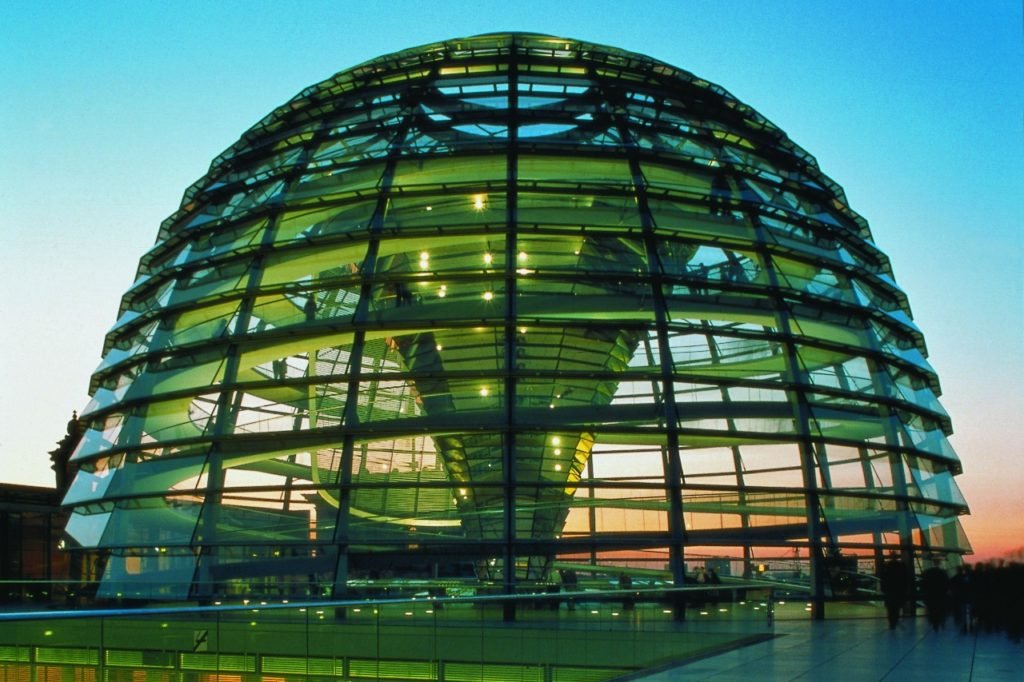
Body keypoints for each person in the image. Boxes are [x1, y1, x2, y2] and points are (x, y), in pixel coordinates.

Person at [920, 558, 951, 632]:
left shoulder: (927, 572)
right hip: (940, 594)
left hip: (930, 594)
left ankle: (934, 623)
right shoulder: (943, 573)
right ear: (939, 563)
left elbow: (923, 584)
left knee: (932, 609)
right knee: (939, 609)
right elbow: (947, 584)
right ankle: (939, 622)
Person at [879, 555, 909, 629]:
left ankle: (892, 623)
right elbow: (905, 580)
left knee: (891, 608)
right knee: (896, 608)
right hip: (898, 592)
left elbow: (883, 580)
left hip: (890, 593)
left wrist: (884, 590)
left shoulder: (887, 568)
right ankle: (894, 621)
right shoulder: (901, 568)